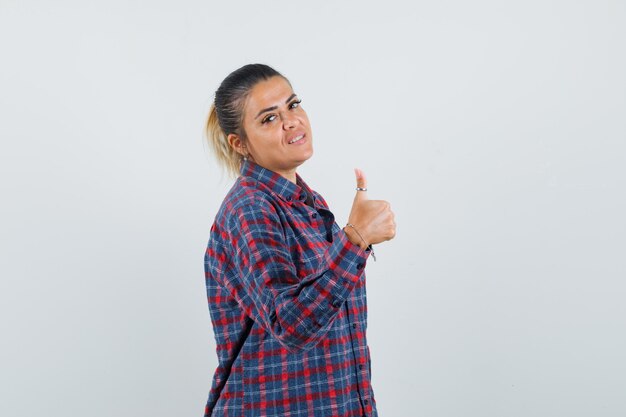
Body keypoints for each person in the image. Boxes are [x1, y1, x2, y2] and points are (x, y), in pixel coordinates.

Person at [203, 63, 396, 417]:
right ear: (239, 143)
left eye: (292, 105)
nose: (291, 121)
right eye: (268, 118)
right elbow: (291, 325)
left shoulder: (309, 203)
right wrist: (355, 239)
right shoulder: (250, 208)